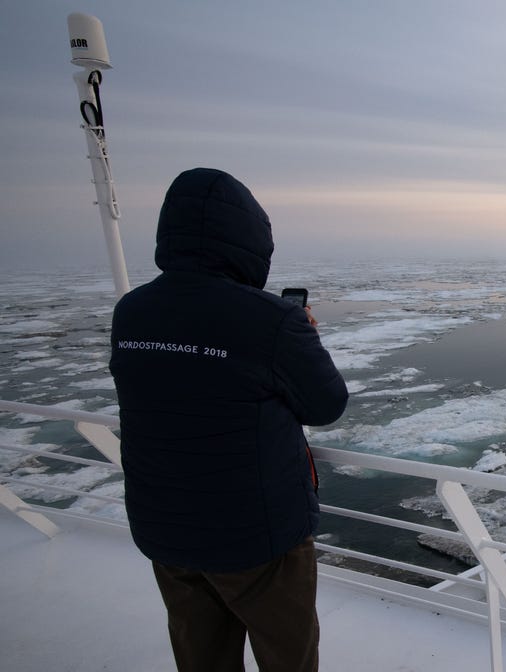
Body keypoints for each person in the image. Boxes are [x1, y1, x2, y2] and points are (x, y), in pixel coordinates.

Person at [110, 168, 349, 672]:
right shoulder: (271, 319)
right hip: (255, 537)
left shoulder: (133, 311)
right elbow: (325, 405)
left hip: (166, 530)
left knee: (202, 658)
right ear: (249, 239)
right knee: (288, 655)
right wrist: (301, 334)